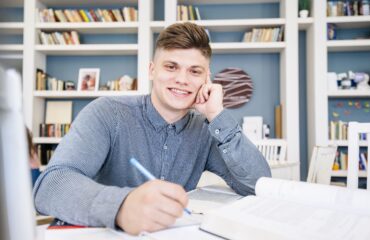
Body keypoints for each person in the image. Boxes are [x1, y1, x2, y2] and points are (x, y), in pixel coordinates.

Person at [33, 22, 271, 235]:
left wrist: (216, 115)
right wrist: (122, 206)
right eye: (171, 67)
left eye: (194, 71)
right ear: (151, 70)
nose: (182, 79)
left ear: (206, 79)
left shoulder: (206, 129)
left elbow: (259, 184)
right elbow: (51, 186)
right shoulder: (107, 112)